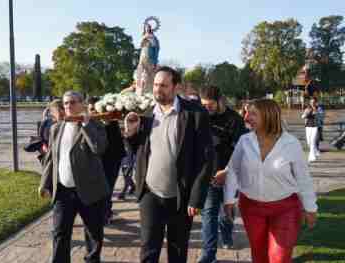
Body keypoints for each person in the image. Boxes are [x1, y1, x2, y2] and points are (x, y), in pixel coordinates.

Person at [124, 66, 215, 263]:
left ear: (176, 87)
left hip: (180, 195)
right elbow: (137, 150)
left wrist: (196, 198)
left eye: (163, 85)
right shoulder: (146, 113)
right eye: (156, 85)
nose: (158, 89)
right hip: (150, 191)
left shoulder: (195, 114)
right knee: (148, 249)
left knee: (178, 250)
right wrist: (131, 134)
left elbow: (207, 158)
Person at [224, 99, 318, 263]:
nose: (246, 118)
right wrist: (229, 200)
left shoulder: (291, 144)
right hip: (251, 207)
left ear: (268, 116)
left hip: (285, 208)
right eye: (246, 113)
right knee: (259, 254)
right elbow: (233, 170)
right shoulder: (244, 141)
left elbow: (303, 178)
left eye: (253, 114)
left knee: (279, 258)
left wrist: (310, 208)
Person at [39, 90, 109, 263]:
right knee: (60, 233)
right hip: (63, 190)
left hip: (90, 190)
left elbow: (99, 148)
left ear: (81, 104)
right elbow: (51, 159)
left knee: (93, 234)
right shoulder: (56, 128)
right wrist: (44, 183)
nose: (69, 106)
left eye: (72, 102)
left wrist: (86, 125)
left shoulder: (95, 124)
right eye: (66, 103)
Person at [197, 86, 247, 263]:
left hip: (230, 176)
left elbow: (241, 150)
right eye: (203, 105)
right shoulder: (201, 117)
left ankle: (226, 233)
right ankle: (208, 255)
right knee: (208, 213)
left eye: (209, 105)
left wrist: (227, 171)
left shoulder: (235, 120)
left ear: (220, 101)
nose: (206, 109)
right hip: (208, 175)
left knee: (227, 212)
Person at [87, 96, 126, 225]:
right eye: (90, 110)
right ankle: (103, 213)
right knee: (100, 189)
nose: (93, 112)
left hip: (113, 158)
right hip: (97, 159)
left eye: (95, 109)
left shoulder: (110, 120)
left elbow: (117, 141)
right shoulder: (88, 123)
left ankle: (105, 214)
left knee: (108, 187)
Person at [302, 97, 320, 162]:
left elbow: (318, 115)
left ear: (315, 103)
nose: (312, 103)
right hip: (308, 126)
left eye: (314, 102)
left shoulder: (318, 109)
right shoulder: (307, 109)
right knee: (308, 142)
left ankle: (311, 156)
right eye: (311, 102)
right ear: (310, 102)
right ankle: (315, 150)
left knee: (312, 140)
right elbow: (302, 116)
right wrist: (306, 114)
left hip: (315, 126)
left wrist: (314, 109)